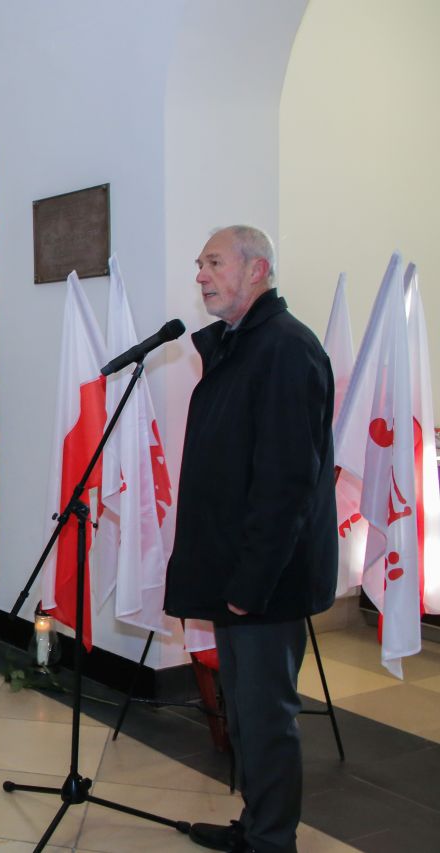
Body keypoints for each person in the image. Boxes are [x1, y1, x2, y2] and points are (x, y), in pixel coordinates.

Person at [165, 226, 337, 853]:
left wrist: (250, 583)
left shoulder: (286, 349)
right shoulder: (244, 344)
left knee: (265, 718)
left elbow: (287, 483)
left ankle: (271, 841)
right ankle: (257, 825)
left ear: (257, 269)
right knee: (243, 711)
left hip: (265, 582)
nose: (201, 275)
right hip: (238, 573)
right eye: (200, 264)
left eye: (214, 263)